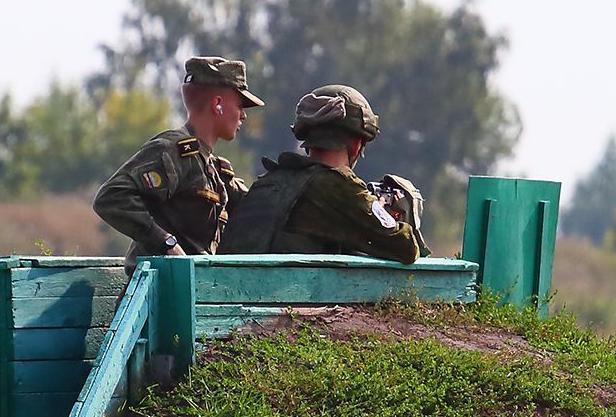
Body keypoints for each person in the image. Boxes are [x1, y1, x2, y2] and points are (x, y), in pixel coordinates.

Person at [218, 84, 428, 264]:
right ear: (356, 145)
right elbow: (406, 247)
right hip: (280, 308)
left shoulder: (269, 181)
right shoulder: (338, 187)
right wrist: (383, 212)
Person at [93, 56, 264, 273]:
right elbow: (112, 197)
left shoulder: (216, 170)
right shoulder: (174, 151)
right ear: (217, 104)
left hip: (191, 292)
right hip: (158, 295)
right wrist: (165, 243)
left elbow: (255, 208)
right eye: (240, 105)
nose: (244, 115)